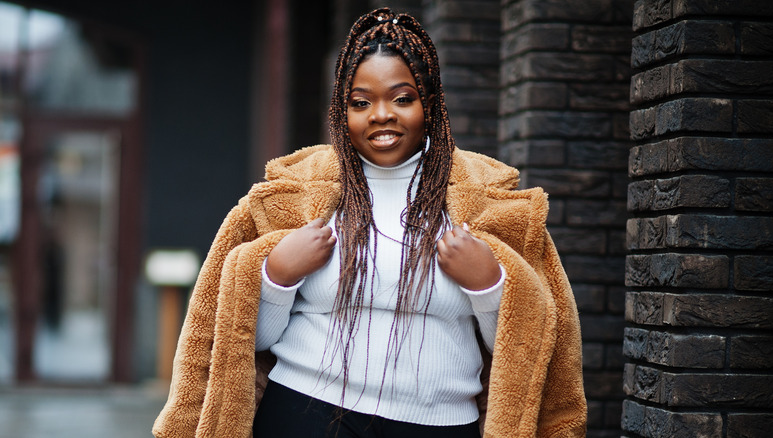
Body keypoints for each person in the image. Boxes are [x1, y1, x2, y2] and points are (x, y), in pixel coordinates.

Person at [153, 8, 586, 438]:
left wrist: (489, 286)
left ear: (429, 105)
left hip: (439, 425)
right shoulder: (294, 195)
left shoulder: (492, 206)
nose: (382, 115)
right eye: (362, 102)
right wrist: (276, 275)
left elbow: (520, 349)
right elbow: (252, 339)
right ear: (343, 111)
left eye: (402, 98)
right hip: (303, 415)